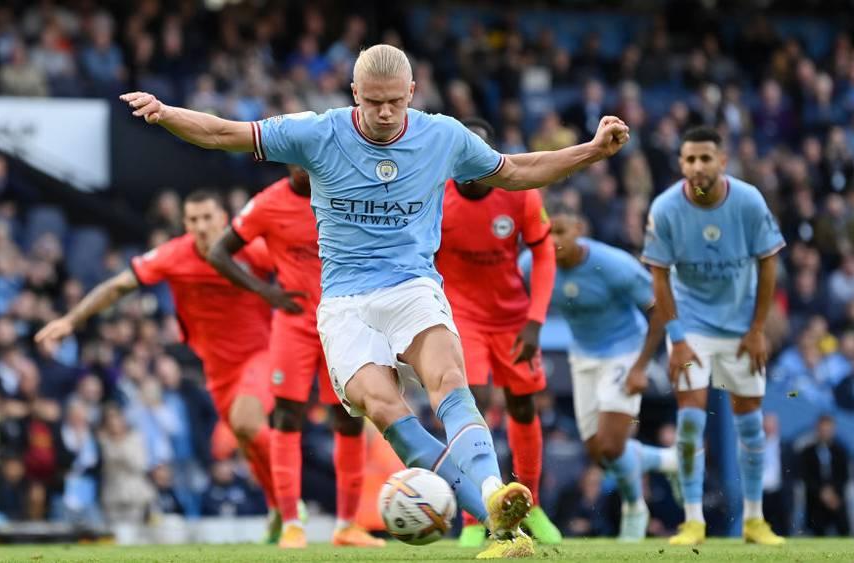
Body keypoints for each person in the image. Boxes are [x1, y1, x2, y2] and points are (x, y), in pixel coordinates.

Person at [120, 43, 629, 558]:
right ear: (353, 94)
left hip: (412, 286)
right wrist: (166, 114)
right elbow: (223, 133)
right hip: (343, 303)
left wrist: (592, 150)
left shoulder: (443, 136)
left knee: (449, 378)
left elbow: (518, 171)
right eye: (372, 102)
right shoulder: (319, 132)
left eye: (394, 102)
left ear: (412, 93)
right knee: (385, 408)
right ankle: (487, 507)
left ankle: (495, 498)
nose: (384, 114)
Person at [36, 191, 280, 537]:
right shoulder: (175, 255)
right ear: (184, 224)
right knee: (244, 434)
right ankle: (278, 508)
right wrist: (72, 320)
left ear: (224, 218)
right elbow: (119, 285)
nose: (201, 226)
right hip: (216, 367)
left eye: (207, 218)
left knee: (247, 420)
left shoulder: (251, 250)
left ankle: (290, 506)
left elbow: (295, 267)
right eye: (193, 220)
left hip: (262, 353)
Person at [208, 166, 381, 549]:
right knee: (287, 415)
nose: (308, 163)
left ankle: (346, 525)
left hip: (343, 323)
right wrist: (264, 292)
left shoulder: (346, 193)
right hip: (295, 326)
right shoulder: (268, 203)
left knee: (349, 417)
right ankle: (291, 524)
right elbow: (219, 252)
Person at [642, 125, 786, 546]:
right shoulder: (666, 208)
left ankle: (755, 520)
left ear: (722, 161)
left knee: (751, 424)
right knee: (689, 421)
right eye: (690, 159)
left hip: (743, 326)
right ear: (681, 164)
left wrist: (758, 329)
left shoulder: (748, 201)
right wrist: (677, 336)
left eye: (706, 158)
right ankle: (692, 521)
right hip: (692, 326)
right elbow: (659, 278)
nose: (698, 166)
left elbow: (769, 264)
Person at [434, 117, 561, 546]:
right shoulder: (436, 195)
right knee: (473, 403)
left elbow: (544, 255)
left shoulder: (520, 193)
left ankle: (533, 503)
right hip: (460, 316)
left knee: (522, 407)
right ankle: (476, 517)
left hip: (512, 318)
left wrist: (535, 320)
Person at [522, 213, 678, 541]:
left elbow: (661, 311)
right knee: (598, 453)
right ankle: (667, 460)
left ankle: (635, 507)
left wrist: (640, 367)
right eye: (545, 234)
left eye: (560, 231)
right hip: (582, 355)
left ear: (579, 228)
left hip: (625, 352)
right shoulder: (530, 263)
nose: (552, 241)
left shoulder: (613, 265)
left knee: (610, 443)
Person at [799, 415, 850, 536]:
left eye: (828, 429)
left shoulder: (841, 451)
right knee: (817, 534)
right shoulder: (807, 452)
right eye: (823, 429)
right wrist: (822, 493)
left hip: (836, 500)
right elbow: (806, 476)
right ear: (817, 429)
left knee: (843, 533)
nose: (825, 432)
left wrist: (832, 493)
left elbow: (844, 476)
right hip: (815, 502)